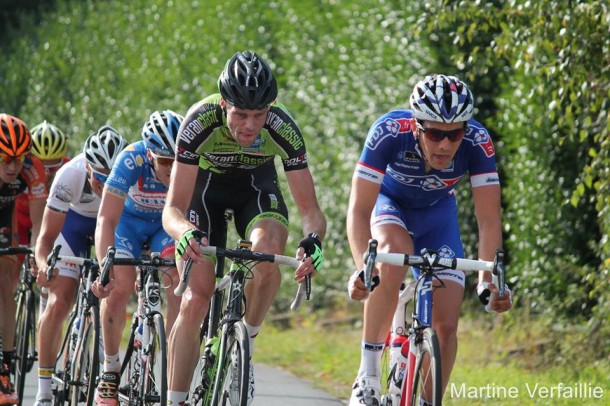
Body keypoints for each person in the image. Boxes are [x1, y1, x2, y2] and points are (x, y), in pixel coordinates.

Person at [160, 51, 327, 405]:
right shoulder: (199, 121)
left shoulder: (283, 127)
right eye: (240, 114)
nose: (250, 125)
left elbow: (311, 211)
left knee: (267, 253)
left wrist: (313, 241)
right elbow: (173, 208)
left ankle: (244, 348)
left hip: (257, 189)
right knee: (195, 298)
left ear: (272, 107)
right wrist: (184, 233)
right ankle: (175, 400)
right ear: (224, 104)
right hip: (206, 194)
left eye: (258, 115)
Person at [346, 74, 513, 405]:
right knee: (393, 256)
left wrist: (488, 282)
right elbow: (359, 209)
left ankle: (427, 399)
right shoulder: (389, 132)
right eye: (436, 133)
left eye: (454, 135)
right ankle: (367, 376)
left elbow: (489, 219)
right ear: (417, 126)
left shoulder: (478, 141)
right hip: (391, 208)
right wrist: (364, 268)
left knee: (447, 327)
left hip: (438, 219)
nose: (445, 145)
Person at [91, 110, 184, 405]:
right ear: (151, 154)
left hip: (163, 227)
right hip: (127, 225)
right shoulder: (132, 158)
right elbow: (105, 219)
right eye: (165, 161)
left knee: (177, 282)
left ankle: (172, 368)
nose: (172, 168)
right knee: (119, 286)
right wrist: (104, 268)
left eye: (176, 160)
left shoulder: (188, 163)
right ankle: (110, 368)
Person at [33, 125, 127, 406]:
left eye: (111, 179)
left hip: (110, 228)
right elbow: (46, 237)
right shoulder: (69, 176)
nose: (104, 185)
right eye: (99, 178)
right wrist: (43, 266)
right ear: (87, 167)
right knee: (59, 300)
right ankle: (44, 391)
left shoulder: (130, 177)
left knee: (113, 290)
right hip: (72, 226)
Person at [0, 113, 47, 405]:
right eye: (5, 159)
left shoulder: (32, 169)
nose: (14, 166)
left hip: (6, 215)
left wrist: (37, 256)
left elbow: (40, 224)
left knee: (6, 280)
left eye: (19, 158)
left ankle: (4, 368)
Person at [15, 120, 70, 318]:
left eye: (53, 167)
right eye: (41, 165)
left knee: (50, 267)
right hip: (20, 219)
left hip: (47, 223)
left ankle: (43, 310)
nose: (46, 173)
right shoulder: (22, 166)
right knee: (10, 272)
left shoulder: (68, 169)